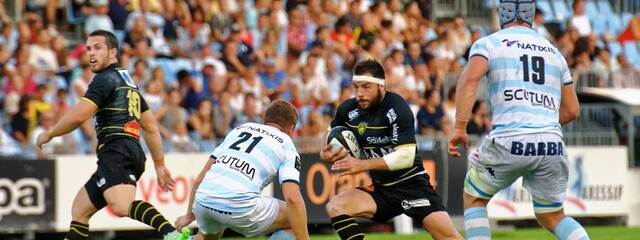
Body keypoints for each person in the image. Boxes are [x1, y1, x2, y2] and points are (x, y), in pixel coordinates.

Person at [447, 1, 589, 240]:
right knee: (553, 216)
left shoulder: (489, 43)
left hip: (509, 138)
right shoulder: (554, 52)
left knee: (474, 198)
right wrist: (541, 124)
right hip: (551, 144)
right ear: (531, 15)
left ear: (502, 13)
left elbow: (470, 79)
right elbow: (573, 110)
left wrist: (460, 127)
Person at [35, 30, 189, 240]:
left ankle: (171, 233)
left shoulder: (104, 79)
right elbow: (151, 126)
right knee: (80, 209)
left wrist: (50, 133)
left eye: (98, 48)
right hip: (127, 149)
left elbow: (79, 116)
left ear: (113, 53)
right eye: (88, 48)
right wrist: (159, 165)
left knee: (120, 205)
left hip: (117, 150)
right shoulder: (128, 83)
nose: (91, 53)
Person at [320, 59, 462, 240]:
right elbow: (328, 139)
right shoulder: (347, 110)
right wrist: (324, 153)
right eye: (356, 87)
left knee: (448, 237)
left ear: (381, 86)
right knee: (335, 206)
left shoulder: (397, 107)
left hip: (412, 185)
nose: (359, 94)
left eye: (366, 87)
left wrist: (361, 165)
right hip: (381, 189)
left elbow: (406, 157)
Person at [174, 100, 309, 240]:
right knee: (296, 219)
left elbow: (200, 179)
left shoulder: (240, 129)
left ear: (264, 119)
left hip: (204, 200)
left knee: (206, 235)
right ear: (292, 129)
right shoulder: (287, 144)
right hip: (240, 207)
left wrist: (189, 215)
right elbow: (293, 198)